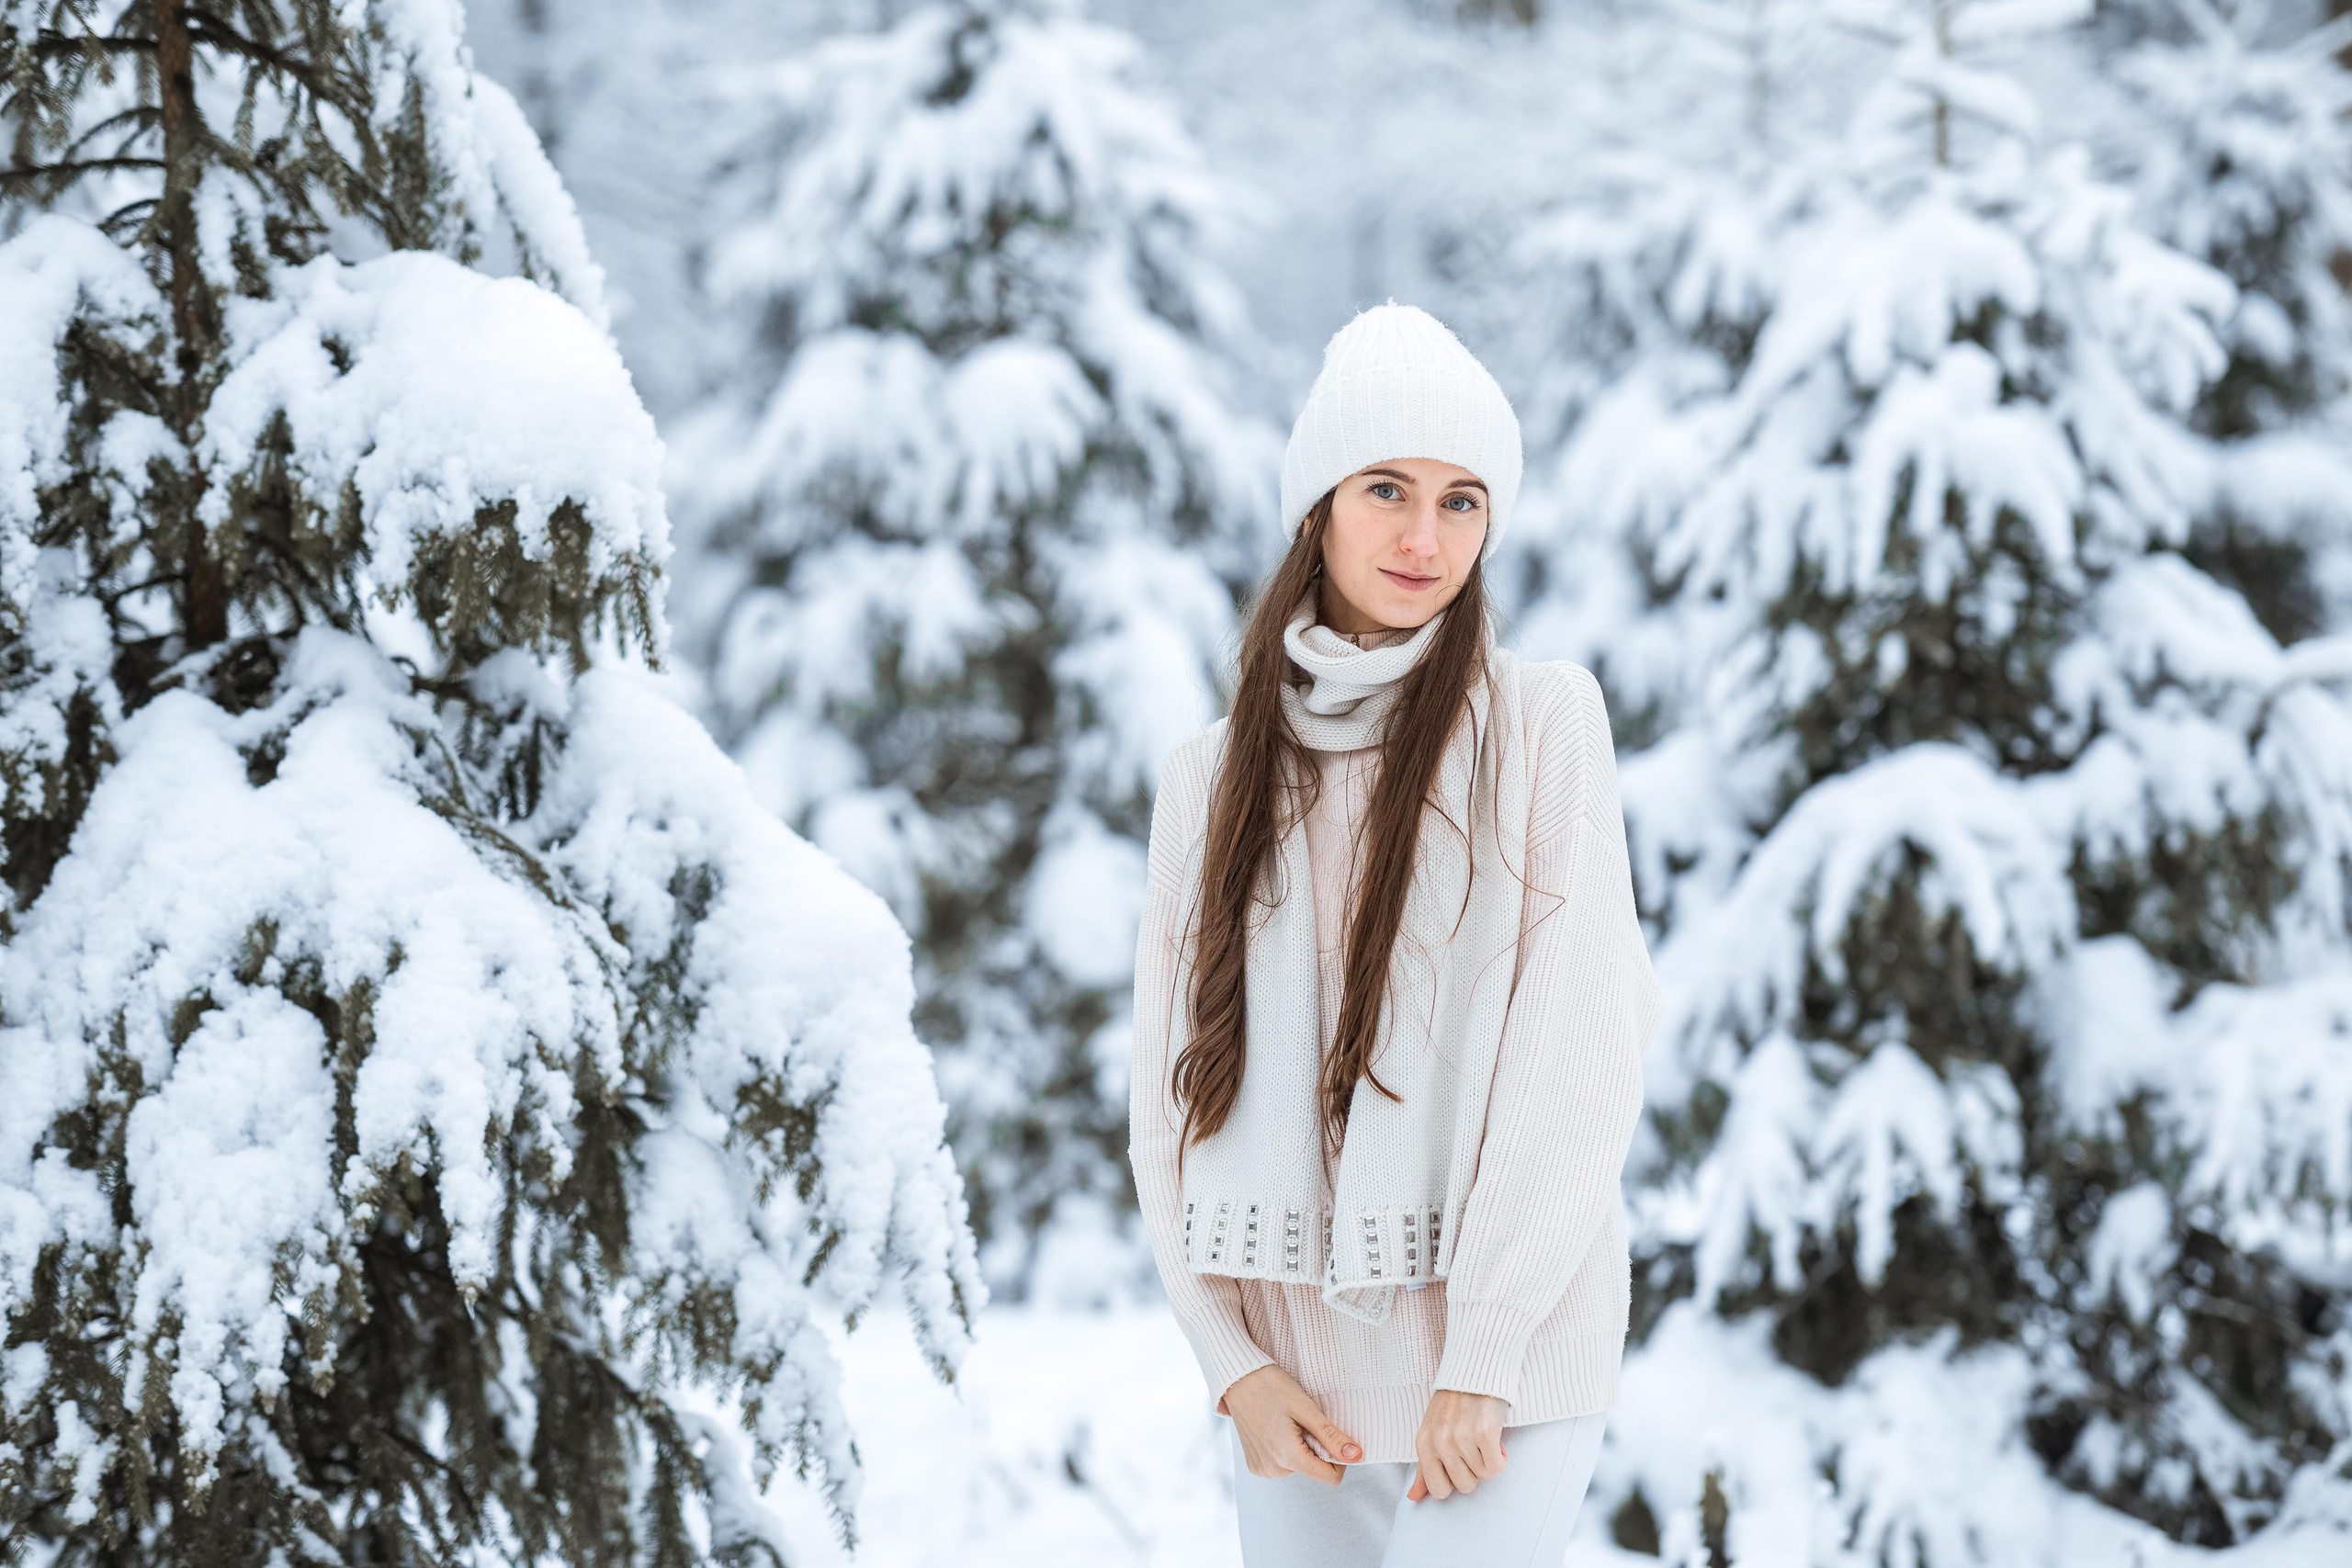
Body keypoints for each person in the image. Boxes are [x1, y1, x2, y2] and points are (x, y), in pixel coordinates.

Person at [1127, 302, 1665, 1565]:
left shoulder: (1540, 726)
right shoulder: (1212, 779)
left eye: (1464, 500)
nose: (1427, 538)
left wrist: (1485, 1353)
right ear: (1315, 508)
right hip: (1294, 1377)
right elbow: (1167, 1091)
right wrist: (1232, 1363)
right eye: (1387, 490)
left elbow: (1576, 1049)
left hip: (1505, 1365)